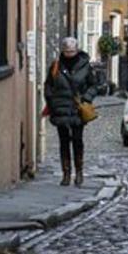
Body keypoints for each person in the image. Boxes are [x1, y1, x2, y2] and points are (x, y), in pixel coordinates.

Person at [43, 37, 97, 186]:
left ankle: (79, 172)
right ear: (62, 51)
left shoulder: (85, 67)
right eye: (67, 51)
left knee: (78, 140)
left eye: (72, 51)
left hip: (77, 108)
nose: (69, 54)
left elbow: (93, 85)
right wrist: (51, 102)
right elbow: (49, 85)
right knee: (64, 141)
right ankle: (66, 173)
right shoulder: (56, 66)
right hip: (60, 108)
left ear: (77, 50)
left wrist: (87, 98)